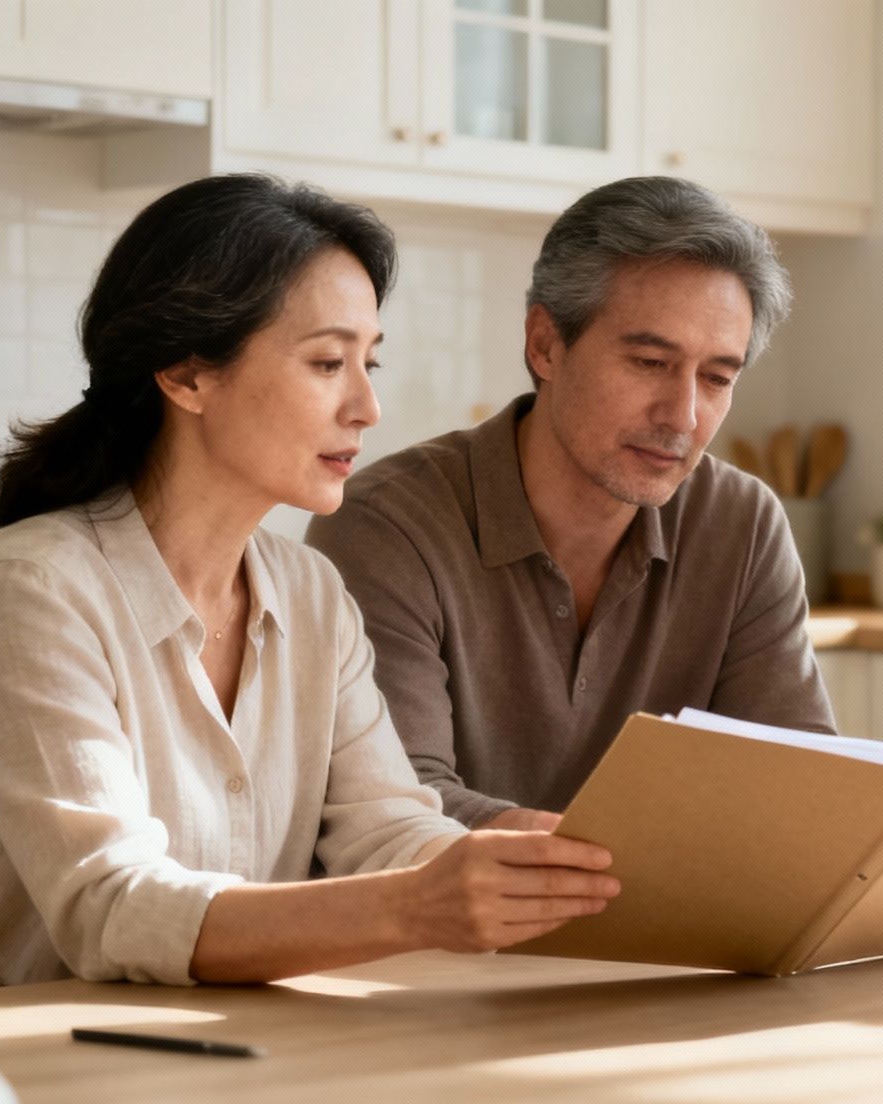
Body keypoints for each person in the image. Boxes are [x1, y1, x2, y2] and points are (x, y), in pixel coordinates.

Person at [0, 174, 617, 996]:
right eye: (329, 362)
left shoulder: (311, 594)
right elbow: (112, 910)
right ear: (188, 375)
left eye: (369, 362)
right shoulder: (32, 591)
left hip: (200, 1037)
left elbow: (383, 830)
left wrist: (518, 865)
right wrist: (414, 907)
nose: (368, 405)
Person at [306, 176, 831, 831]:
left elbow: (798, 784)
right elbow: (401, 808)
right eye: (648, 363)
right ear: (545, 344)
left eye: (717, 378)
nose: (684, 415)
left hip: (676, 925)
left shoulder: (742, 523)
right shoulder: (387, 525)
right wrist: (641, 862)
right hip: (450, 932)